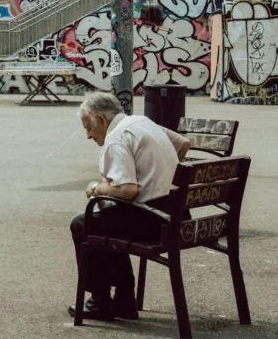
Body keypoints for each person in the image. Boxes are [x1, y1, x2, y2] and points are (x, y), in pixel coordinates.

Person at [68, 92, 191, 322]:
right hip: (178, 213)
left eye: (88, 127)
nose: (88, 135)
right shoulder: (142, 121)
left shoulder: (116, 138)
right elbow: (184, 144)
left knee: (84, 224)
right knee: (111, 217)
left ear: (102, 121)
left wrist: (97, 188)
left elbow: (128, 190)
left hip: (156, 221)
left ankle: (101, 302)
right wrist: (158, 171)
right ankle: (124, 301)